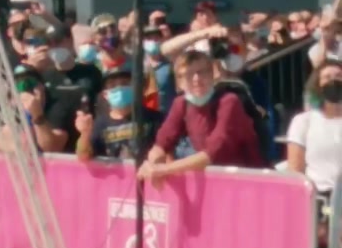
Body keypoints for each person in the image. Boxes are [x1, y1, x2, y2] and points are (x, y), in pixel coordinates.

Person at [138, 48, 263, 186]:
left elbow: (211, 153)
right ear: (179, 82)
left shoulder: (229, 101)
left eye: (201, 72)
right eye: (189, 74)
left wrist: (164, 170)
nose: (196, 79)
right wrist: (153, 163)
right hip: (213, 180)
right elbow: (161, 144)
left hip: (249, 180)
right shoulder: (181, 103)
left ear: (212, 75)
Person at [287, 60, 342, 196]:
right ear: (318, 86)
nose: (333, 81)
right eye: (327, 77)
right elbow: (295, 171)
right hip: (319, 198)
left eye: (338, 76)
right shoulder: (303, 122)